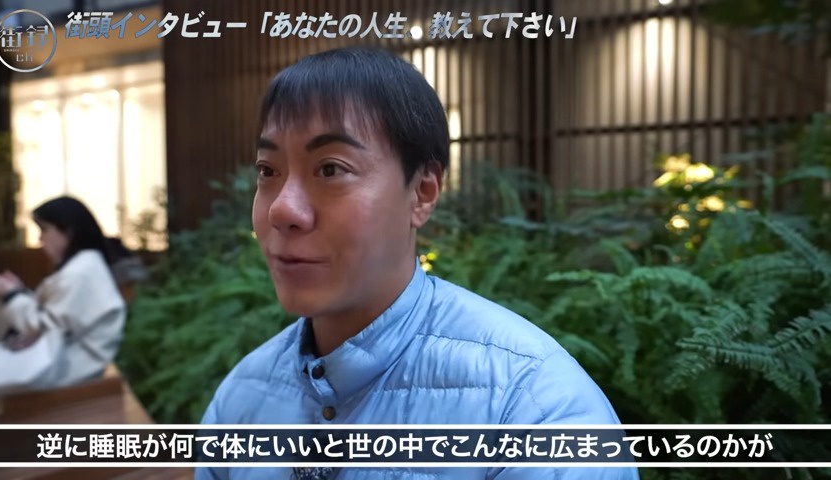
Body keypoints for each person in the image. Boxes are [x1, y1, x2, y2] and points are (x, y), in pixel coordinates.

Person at [196, 46, 638, 480]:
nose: (282, 210)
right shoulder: (242, 398)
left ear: (422, 192)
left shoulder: (533, 408)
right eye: (268, 171)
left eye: (330, 169)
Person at [0, 196, 126, 402]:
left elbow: (41, 329)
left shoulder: (79, 273)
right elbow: (55, 316)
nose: (40, 239)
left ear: (68, 231)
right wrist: (18, 292)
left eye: (44, 230)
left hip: (71, 369)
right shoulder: (84, 265)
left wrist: (12, 296)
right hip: (74, 362)